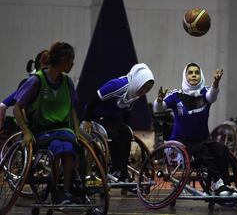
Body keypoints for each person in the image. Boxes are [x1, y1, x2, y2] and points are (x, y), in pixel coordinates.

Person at [153, 62, 236, 196]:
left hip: (202, 139)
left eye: (196, 72)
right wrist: (159, 100)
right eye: (190, 73)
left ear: (200, 75)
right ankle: (218, 183)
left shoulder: (205, 93)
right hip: (181, 142)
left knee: (222, 149)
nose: (193, 75)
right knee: (202, 151)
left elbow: (212, 96)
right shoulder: (176, 95)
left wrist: (215, 83)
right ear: (185, 76)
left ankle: (225, 184)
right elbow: (159, 108)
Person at [13, 42, 80, 204]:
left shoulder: (67, 82)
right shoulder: (36, 81)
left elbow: (72, 109)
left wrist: (77, 132)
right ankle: (56, 191)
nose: (73, 64)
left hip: (64, 129)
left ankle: (68, 189)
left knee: (73, 146)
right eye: (71, 61)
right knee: (59, 146)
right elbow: (17, 108)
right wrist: (26, 132)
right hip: (41, 131)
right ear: (63, 61)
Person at [81, 63, 154, 181]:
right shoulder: (118, 85)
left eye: (148, 89)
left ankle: (122, 171)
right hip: (94, 115)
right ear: (138, 81)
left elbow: (126, 112)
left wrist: (125, 127)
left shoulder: (135, 92)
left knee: (126, 134)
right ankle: (116, 168)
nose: (144, 91)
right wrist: (87, 119)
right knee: (114, 134)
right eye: (144, 87)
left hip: (111, 117)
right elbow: (95, 98)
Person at [0, 50, 49, 130]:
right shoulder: (31, 82)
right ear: (42, 64)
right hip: (31, 125)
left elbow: (2, 106)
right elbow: (3, 106)